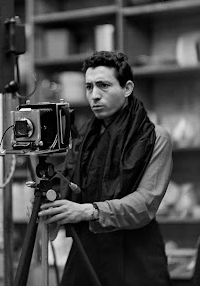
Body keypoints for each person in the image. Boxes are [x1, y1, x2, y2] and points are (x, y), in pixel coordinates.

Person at [38, 50, 173, 286]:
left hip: (135, 257)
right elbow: (67, 186)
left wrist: (88, 211)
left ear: (127, 88)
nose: (94, 95)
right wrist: (46, 201)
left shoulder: (155, 137)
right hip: (86, 253)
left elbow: (145, 203)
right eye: (89, 87)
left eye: (103, 85)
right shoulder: (83, 141)